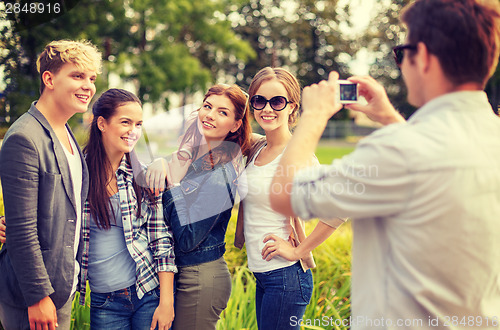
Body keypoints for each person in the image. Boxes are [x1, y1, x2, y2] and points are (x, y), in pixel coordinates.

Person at [269, 0, 500, 329]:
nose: (401, 65)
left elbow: (284, 193)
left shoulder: (396, 152)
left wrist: (314, 116)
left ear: (423, 58)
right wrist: (390, 118)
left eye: (402, 52)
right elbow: (429, 165)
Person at [0, 40, 102, 330]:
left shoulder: (67, 133)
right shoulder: (24, 137)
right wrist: (38, 296)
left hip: (61, 290)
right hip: (29, 298)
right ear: (49, 79)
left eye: (92, 78)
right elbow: (21, 229)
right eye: (77, 76)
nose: (88, 86)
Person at [233, 67, 343, 330]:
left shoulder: (298, 156)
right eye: (259, 100)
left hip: (286, 276)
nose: (267, 109)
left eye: (277, 101)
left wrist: (297, 251)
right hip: (264, 274)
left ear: (292, 107)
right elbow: (217, 133)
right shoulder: (258, 147)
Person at [146, 84, 251, 329]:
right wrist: (161, 163)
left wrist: (171, 185)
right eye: (207, 106)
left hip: (200, 278)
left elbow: (187, 238)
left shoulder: (221, 175)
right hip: (182, 271)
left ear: (236, 125)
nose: (210, 115)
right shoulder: (197, 159)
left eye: (222, 112)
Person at [78, 88, 177, 329]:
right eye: (125, 122)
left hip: (148, 293)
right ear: (102, 123)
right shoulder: (77, 173)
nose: (133, 131)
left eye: (139, 124)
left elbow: (160, 237)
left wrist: (167, 302)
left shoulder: (142, 175)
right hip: (105, 301)